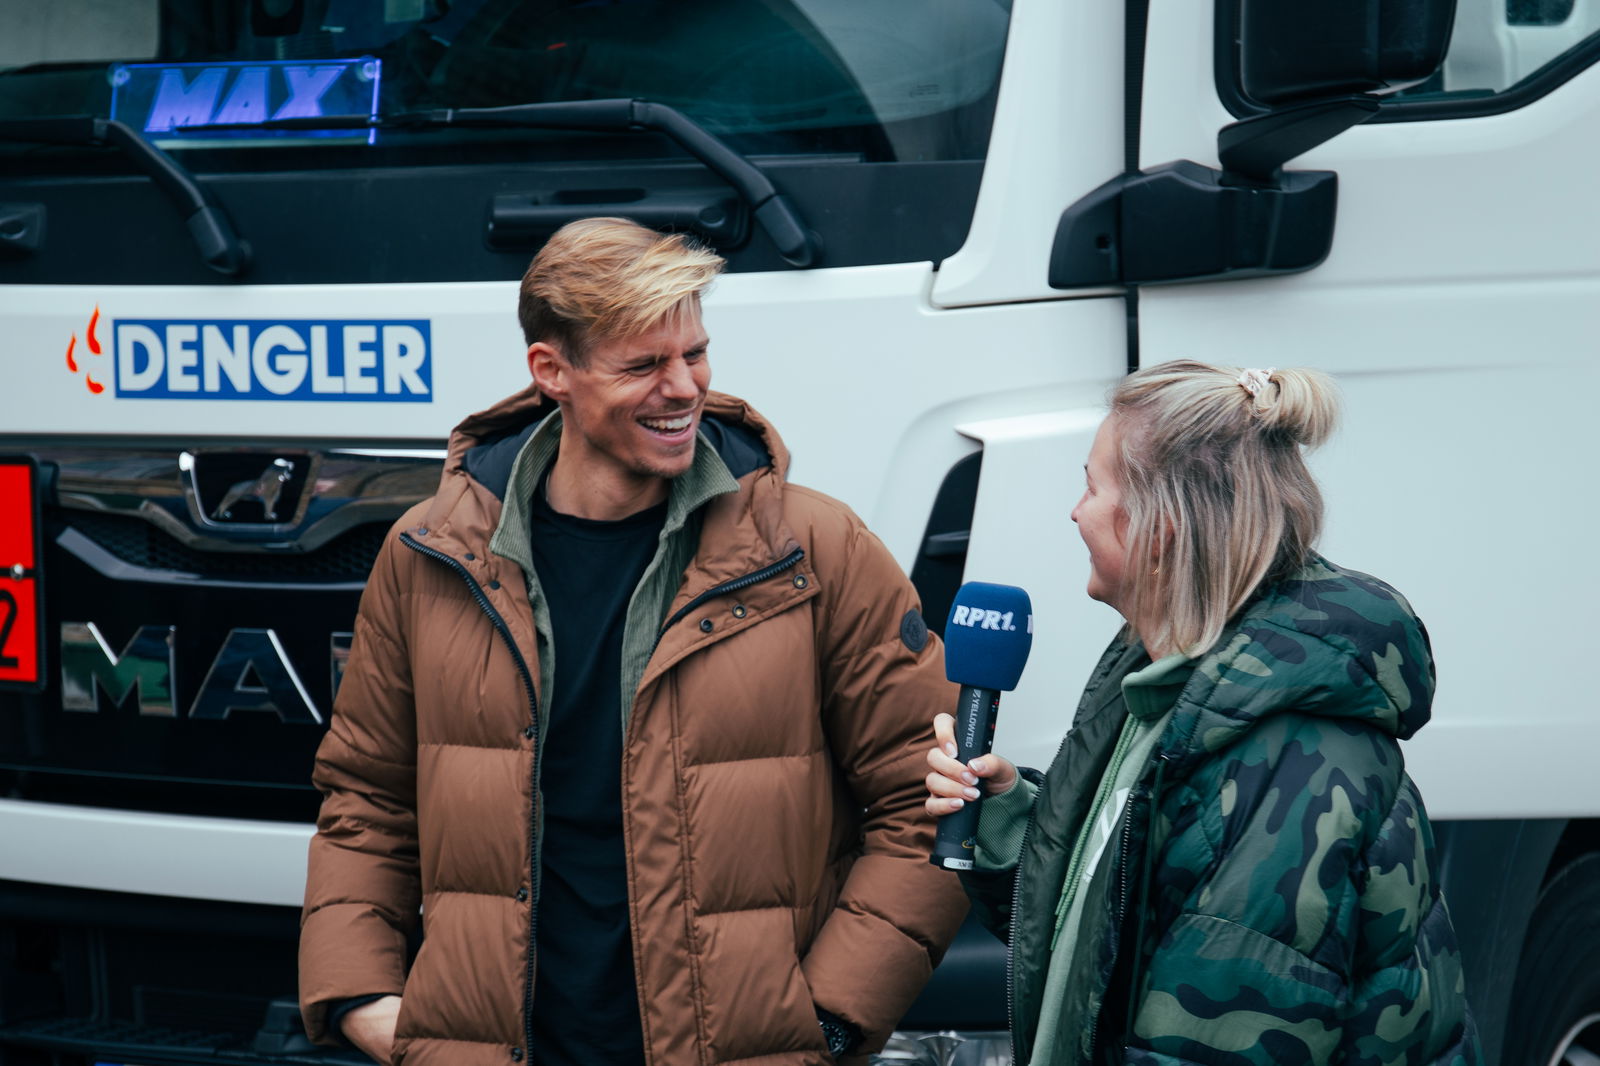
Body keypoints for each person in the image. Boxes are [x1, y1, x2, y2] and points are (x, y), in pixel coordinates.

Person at [300, 217, 967, 1066]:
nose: (685, 387)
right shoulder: (431, 555)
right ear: (552, 372)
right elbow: (367, 801)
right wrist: (363, 996)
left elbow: (932, 803)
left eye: (694, 353)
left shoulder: (812, 550)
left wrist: (828, 1019)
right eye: (644, 365)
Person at [925, 361, 1480, 1066]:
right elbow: (1109, 944)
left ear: (1160, 528)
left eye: (1092, 487)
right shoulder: (1163, 691)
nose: (1075, 511)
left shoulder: (1283, 766)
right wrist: (1006, 814)